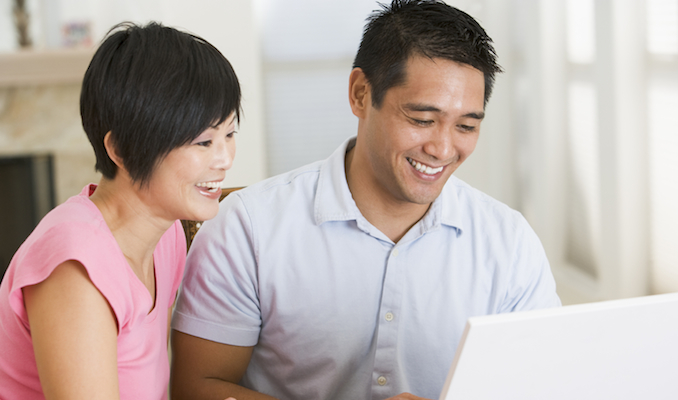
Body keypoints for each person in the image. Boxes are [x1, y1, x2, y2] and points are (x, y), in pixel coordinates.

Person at [170, 1, 561, 399]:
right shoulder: (247, 227)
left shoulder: (509, 243)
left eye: (465, 126)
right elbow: (197, 389)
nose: (443, 149)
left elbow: (547, 384)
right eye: (422, 120)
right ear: (360, 94)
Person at [0, 22, 240, 400]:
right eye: (204, 141)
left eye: (230, 134)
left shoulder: (165, 235)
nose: (225, 158)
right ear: (123, 149)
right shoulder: (75, 267)